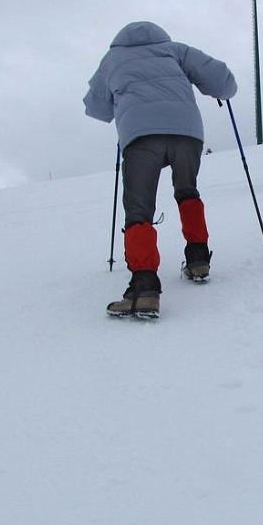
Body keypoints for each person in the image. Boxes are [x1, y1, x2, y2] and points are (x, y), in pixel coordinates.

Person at [84, 21, 237, 319]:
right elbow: (224, 82)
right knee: (187, 190)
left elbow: (96, 108)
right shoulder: (175, 50)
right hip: (187, 132)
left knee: (139, 209)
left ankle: (144, 288)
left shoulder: (113, 59)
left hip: (141, 136)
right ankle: (197, 258)